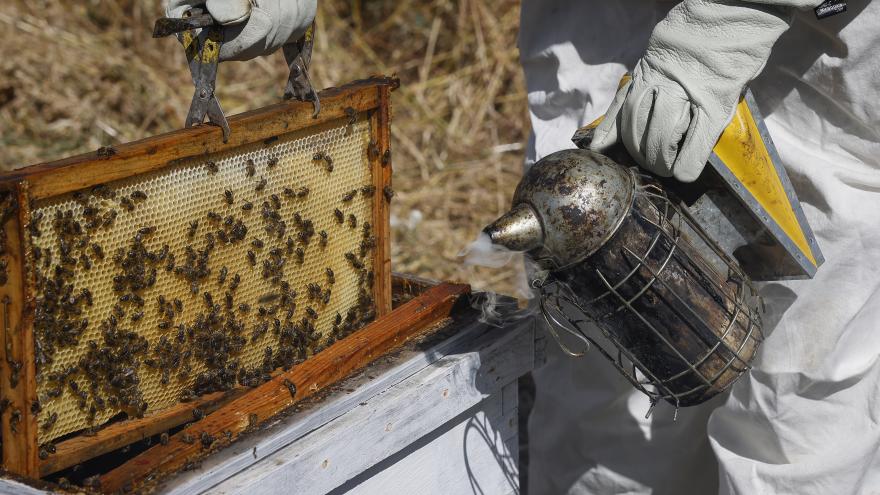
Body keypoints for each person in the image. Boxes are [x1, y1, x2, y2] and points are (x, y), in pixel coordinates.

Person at [165, 1, 880, 493]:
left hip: (802, 50)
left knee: (795, 411)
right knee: (604, 401)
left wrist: (724, 26)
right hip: (603, 28)